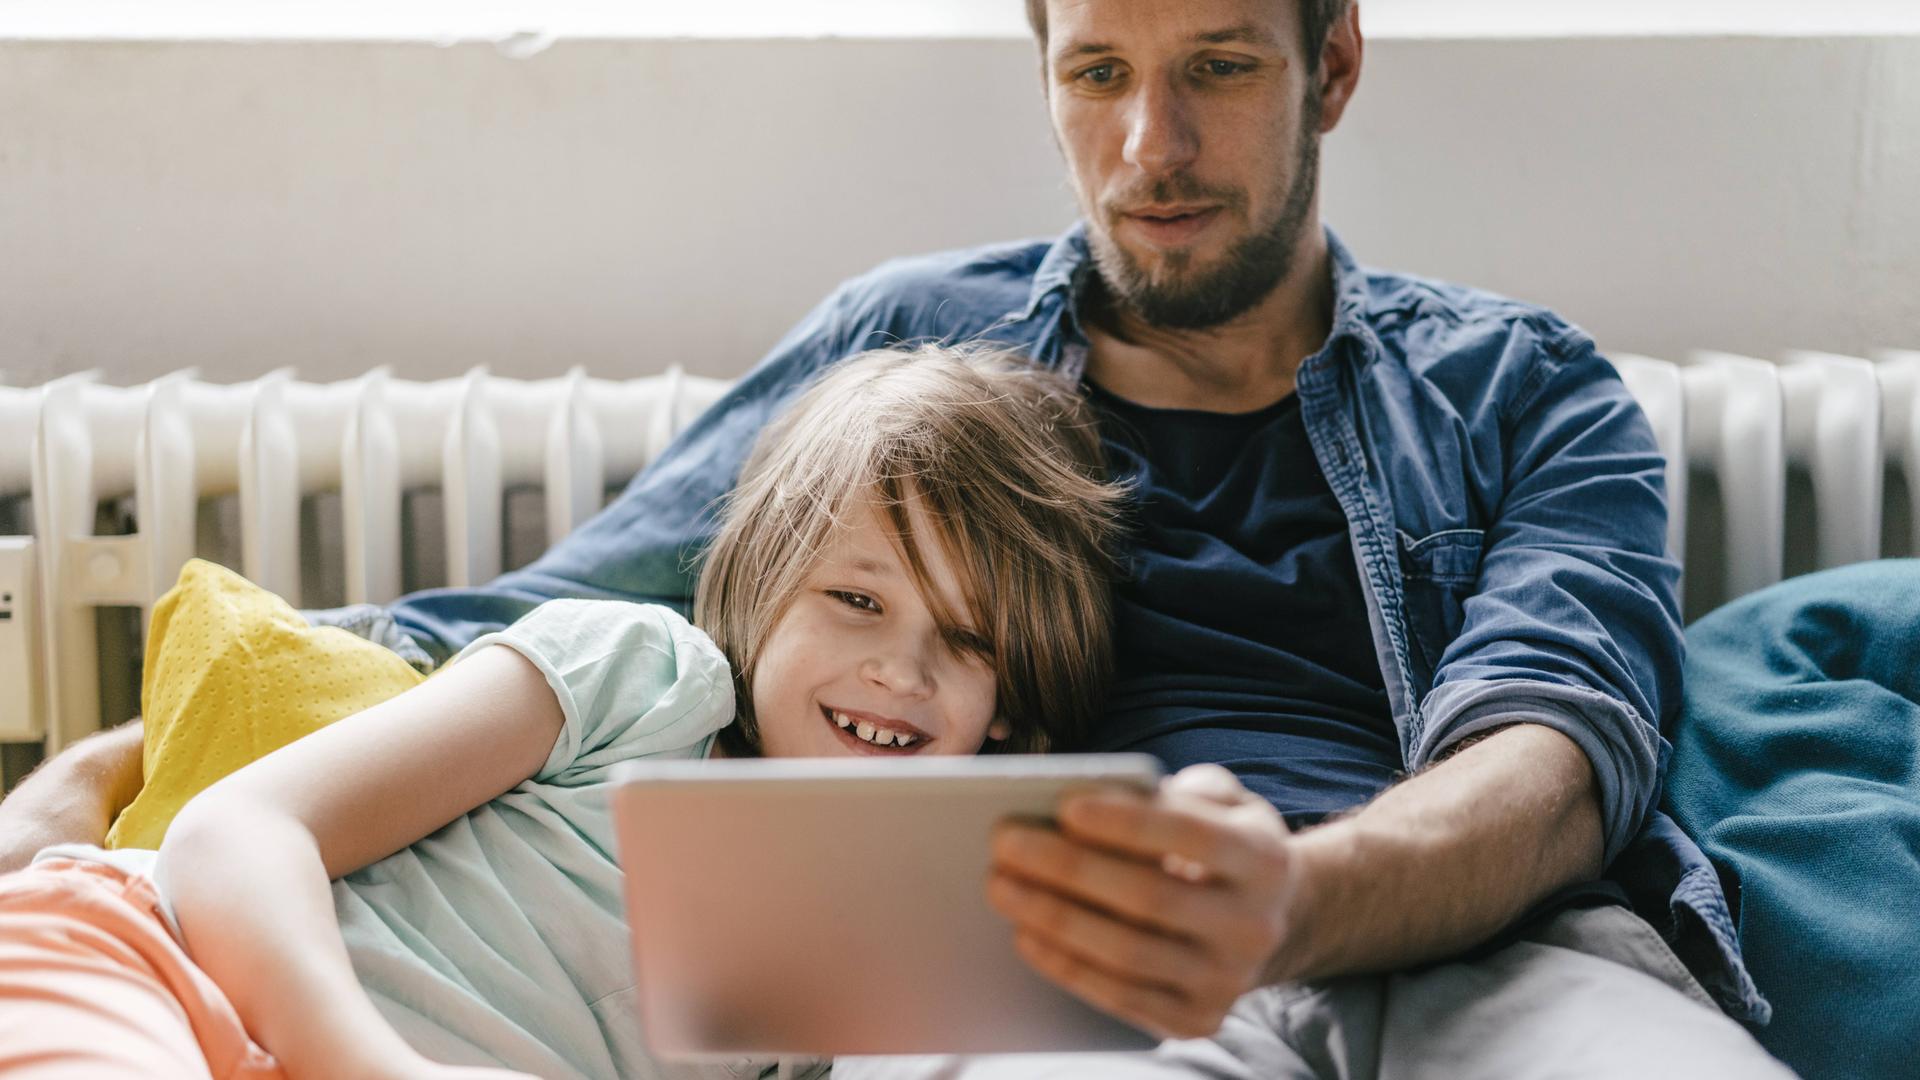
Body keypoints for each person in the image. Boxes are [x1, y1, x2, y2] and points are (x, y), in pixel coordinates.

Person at [0, 0, 1795, 1076]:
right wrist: (149, 750)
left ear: (1332, 68)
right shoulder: (909, 347)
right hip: (1033, 971)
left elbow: (1562, 759)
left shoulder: (1523, 388)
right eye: (1097, 69)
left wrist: (1293, 907)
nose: (1148, 143)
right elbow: (574, 603)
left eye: (1220, 66)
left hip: (1492, 958)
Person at [0, 347, 1129, 1079]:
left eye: (967, 639)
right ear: (762, 589)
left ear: (1010, 716)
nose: (900, 668)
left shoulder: (871, 980)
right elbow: (233, 833)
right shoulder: (646, 677)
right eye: (855, 599)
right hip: (158, 971)